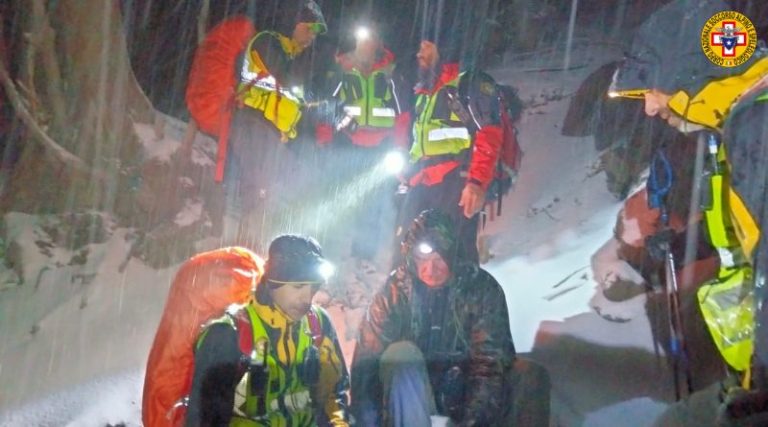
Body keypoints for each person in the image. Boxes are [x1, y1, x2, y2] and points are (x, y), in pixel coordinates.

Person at [610, 0, 768, 423]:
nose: (648, 108)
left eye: (650, 91)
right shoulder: (740, 121)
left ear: (685, 74)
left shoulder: (757, 123)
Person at [350, 209, 550, 426]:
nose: (430, 269)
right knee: (400, 353)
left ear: (453, 255)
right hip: (412, 400)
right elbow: (366, 366)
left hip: (464, 393)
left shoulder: (480, 288)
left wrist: (472, 423)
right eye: (422, 260)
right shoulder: (394, 294)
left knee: (529, 374)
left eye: (439, 259)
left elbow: (489, 364)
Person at [184, 234, 350, 426]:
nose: (307, 298)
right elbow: (205, 418)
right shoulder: (228, 334)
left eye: (313, 288)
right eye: (298, 286)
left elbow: (334, 395)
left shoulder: (319, 324)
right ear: (273, 282)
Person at [395, 14, 504, 264]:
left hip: (454, 182)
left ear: (443, 48)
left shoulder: (470, 84)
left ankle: (463, 303)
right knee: (408, 254)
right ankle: (410, 302)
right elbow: (419, 137)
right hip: (421, 182)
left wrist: (476, 182)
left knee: (454, 255)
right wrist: (408, 171)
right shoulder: (423, 90)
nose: (419, 54)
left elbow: (490, 134)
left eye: (426, 47)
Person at [221, 0, 327, 251]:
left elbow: (298, 93)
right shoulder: (266, 42)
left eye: (314, 32)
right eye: (309, 28)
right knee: (264, 189)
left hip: (269, 132)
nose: (311, 36)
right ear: (293, 23)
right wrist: (316, 94)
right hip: (252, 122)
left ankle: (257, 248)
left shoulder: (291, 54)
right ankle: (250, 250)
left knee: (274, 188)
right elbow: (287, 77)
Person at [315, 21, 411, 263]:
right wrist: (324, 137)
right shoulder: (344, 70)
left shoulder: (390, 73)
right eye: (362, 41)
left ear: (378, 44)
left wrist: (400, 146)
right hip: (348, 144)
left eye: (371, 41)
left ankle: (363, 255)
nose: (366, 46)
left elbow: (403, 114)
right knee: (338, 197)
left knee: (373, 202)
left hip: (380, 147)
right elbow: (327, 104)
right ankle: (325, 248)